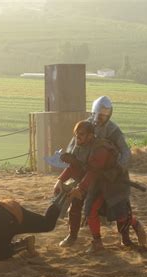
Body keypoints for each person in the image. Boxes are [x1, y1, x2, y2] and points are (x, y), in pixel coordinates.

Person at [58, 95, 135, 247]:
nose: (101, 118)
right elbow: (74, 146)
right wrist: (72, 158)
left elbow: (126, 151)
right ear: (94, 112)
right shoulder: (84, 127)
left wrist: (118, 168)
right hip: (86, 172)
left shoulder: (113, 130)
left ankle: (125, 238)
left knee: (119, 206)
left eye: (105, 115)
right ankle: (72, 236)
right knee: (76, 202)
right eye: (99, 114)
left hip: (108, 176)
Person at [66, 121, 147, 253]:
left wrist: (80, 189)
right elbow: (75, 166)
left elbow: (93, 170)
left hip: (114, 184)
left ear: (91, 135)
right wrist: (60, 180)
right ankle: (97, 243)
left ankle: (135, 225)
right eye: (76, 134)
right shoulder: (82, 146)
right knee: (91, 209)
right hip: (98, 183)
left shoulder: (101, 149)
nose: (77, 137)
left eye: (81, 134)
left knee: (120, 214)